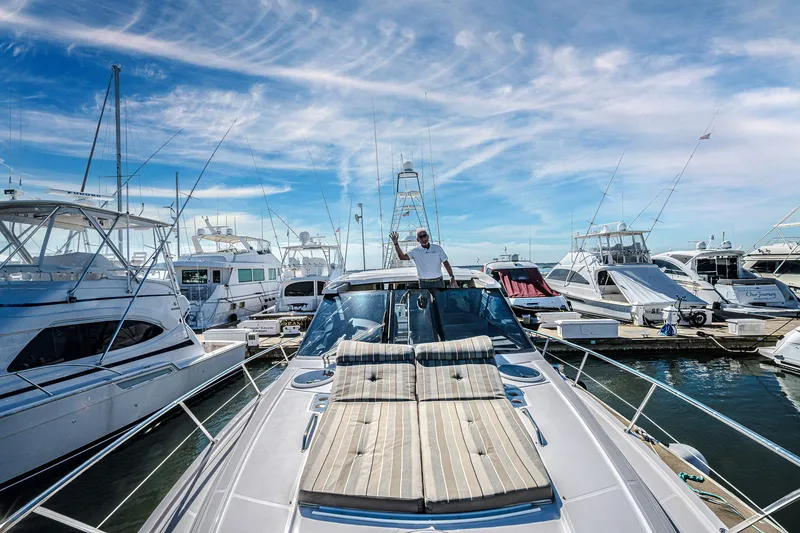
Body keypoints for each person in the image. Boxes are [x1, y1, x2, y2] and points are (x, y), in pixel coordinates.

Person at [390, 228, 457, 288]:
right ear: (417, 240)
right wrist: (396, 243)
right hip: (424, 283)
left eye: (424, 236)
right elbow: (402, 257)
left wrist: (452, 277)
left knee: (440, 298)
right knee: (425, 299)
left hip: (438, 282)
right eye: (420, 237)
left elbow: (446, 263)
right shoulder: (415, 251)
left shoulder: (437, 248)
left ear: (428, 236)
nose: (423, 238)